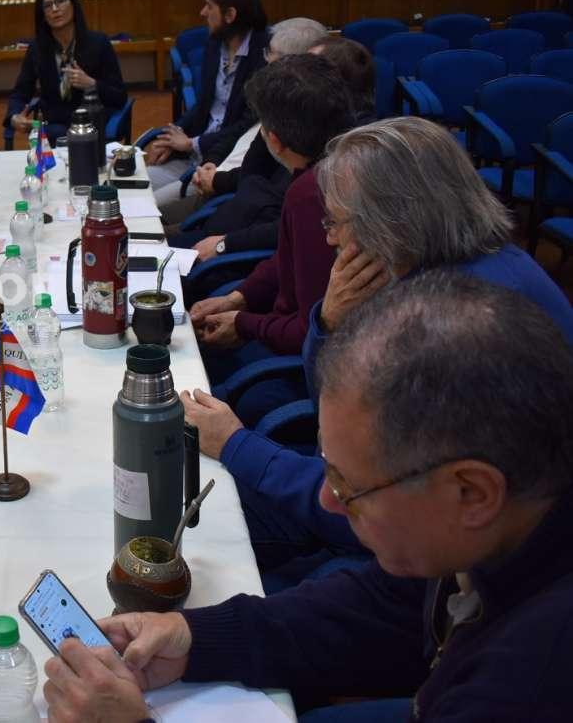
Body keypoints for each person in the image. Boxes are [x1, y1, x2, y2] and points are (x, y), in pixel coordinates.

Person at [46, 273, 573, 722]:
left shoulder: (529, 682)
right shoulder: (500, 529)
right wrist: (194, 638)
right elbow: (390, 605)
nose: (327, 501)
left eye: (350, 486)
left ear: (472, 493)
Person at [182, 116, 573, 577]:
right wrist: (328, 322)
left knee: (195, 531)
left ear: (394, 222)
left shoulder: (454, 324)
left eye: (335, 221)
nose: (329, 237)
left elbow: (358, 508)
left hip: (423, 560)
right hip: (377, 505)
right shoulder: (456, 264)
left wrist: (235, 444)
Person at [189, 54, 351, 390]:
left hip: (313, 368)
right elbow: (289, 257)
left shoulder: (311, 193)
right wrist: (240, 298)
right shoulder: (340, 164)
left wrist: (244, 324)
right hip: (294, 335)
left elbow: (314, 326)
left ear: (273, 140)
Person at [163, 17, 330, 236]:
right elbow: (235, 133)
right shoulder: (269, 97)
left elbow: (260, 189)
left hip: (230, 209)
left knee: (147, 227)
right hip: (217, 187)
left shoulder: (298, 126)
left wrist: (223, 244)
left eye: (271, 53)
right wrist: (211, 161)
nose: (265, 59)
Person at [146, 0, 270, 207]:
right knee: (131, 187)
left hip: (220, 165)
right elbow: (204, 104)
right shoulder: (215, 44)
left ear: (230, 15)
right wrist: (170, 138)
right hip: (193, 154)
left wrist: (192, 143)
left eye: (209, 6)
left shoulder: (264, 56)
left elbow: (246, 125)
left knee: (150, 205)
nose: (203, 12)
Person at [5, 0, 126, 144]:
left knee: (60, 134)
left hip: (90, 126)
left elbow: (119, 96)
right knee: (54, 133)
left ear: (73, 5)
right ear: (43, 16)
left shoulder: (98, 43)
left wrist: (91, 84)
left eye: (60, 1)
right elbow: (20, 92)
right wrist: (14, 116)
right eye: (48, 5)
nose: (55, 9)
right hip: (53, 127)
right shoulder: (37, 49)